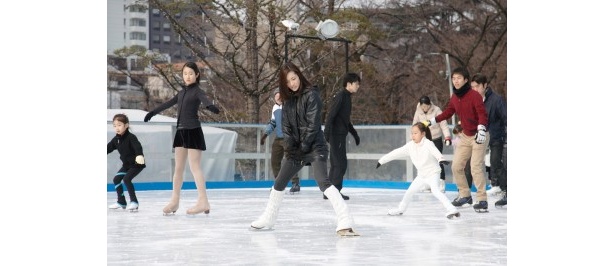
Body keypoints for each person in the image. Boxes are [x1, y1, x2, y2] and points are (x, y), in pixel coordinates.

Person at [250, 62, 359, 236]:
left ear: (299, 75)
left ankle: (345, 219)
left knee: (323, 181)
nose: (292, 83)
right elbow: (285, 127)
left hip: (315, 146)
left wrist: (304, 146)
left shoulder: (312, 95)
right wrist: (291, 146)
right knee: (279, 182)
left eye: (294, 78)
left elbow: (313, 124)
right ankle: (268, 218)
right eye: (288, 81)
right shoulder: (287, 101)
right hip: (296, 148)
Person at [143, 61, 220, 216]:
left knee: (194, 167)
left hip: (193, 131)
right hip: (181, 131)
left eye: (191, 73)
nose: (187, 76)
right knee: (178, 168)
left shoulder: (197, 91)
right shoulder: (181, 92)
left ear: (197, 75)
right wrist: (152, 112)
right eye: (185, 73)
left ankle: (203, 201)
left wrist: (210, 107)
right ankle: (175, 201)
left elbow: (205, 100)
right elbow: (167, 104)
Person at [422, 67, 489, 212]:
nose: (456, 81)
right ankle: (465, 195)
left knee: (475, 167)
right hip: (465, 135)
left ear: (465, 80)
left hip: (479, 134)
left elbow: (482, 114)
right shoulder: (455, 97)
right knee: (456, 166)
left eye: (459, 78)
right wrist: (432, 121)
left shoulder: (474, 95)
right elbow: (448, 112)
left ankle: (482, 199)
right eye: (453, 78)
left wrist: (482, 128)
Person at [376, 122, 460, 219]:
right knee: (409, 192)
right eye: (412, 133)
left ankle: (452, 209)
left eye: (415, 133)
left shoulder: (428, 143)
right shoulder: (410, 146)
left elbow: (435, 151)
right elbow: (396, 152)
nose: (413, 135)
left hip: (432, 173)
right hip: (421, 176)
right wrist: (382, 160)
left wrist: (441, 159)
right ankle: (400, 209)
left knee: (436, 191)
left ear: (423, 134)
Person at [323, 72, 361, 200]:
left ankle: (329, 192)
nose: (358, 86)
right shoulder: (340, 96)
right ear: (349, 84)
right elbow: (331, 115)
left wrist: (354, 134)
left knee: (337, 164)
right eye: (356, 84)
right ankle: (333, 192)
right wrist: (326, 134)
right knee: (340, 164)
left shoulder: (347, 97)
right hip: (336, 135)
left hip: (339, 135)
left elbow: (345, 120)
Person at [470, 73, 507, 198]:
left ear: (485, 85)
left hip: (496, 136)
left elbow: (506, 116)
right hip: (481, 137)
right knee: (483, 163)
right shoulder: (474, 100)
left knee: (496, 163)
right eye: (472, 87)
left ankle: (506, 189)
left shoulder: (496, 100)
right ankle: (496, 185)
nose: (475, 90)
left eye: (477, 86)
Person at [260, 88, 300, 193]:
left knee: (290, 160)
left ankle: (295, 183)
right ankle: (279, 184)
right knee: (275, 160)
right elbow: (273, 123)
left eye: (279, 95)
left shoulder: (289, 106)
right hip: (278, 137)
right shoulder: (274, 107)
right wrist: (265, 134)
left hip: (289, 137)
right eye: (276, 96)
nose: (278, 97)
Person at [412, 95, 452, 193]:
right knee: (425, 161)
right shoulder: (418, 111)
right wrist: (413, 137)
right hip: (424, 140)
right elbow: (415, 125)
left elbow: (443, 124)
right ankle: (427, 184)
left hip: (436, 139)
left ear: (430, 104)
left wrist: (447, 136)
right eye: (423, 107)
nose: (425, 108)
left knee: (438, 160)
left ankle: (441, 182)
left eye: (426, 106)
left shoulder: (437, 110)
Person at [107, 113, 146, 212]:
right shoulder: (116, 140)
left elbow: (137, 147)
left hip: (137, 164)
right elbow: (108, 148)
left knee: (126, 179)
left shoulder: (131, 137)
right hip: (127, 165)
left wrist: (139, 155)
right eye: (115, 126)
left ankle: (134, 202)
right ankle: (121, 201)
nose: (117, 128)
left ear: (126, 125)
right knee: (116, 179)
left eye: (119, 125)